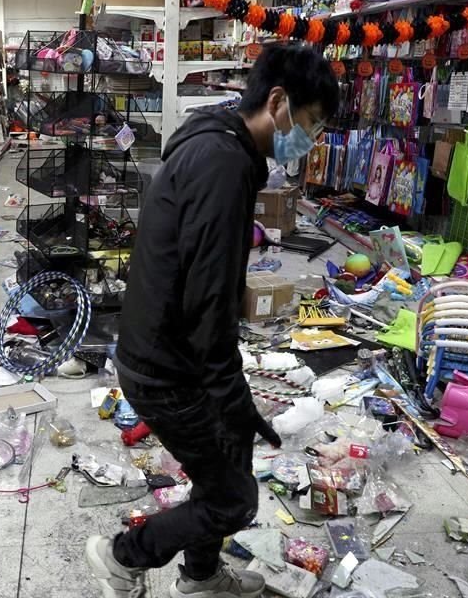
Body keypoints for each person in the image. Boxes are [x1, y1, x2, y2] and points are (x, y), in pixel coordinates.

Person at [86, 44, 340, 598]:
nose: (310, 139)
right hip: (167, 366)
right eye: (312, 122)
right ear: (278, 101)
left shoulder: (217, 139)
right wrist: (234, 397)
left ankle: (201, 578)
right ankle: (122, 555)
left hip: (164, 346)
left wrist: (234, 404)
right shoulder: (224, 165)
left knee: (231, 456)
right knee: (233, 498)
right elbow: (210, 303)